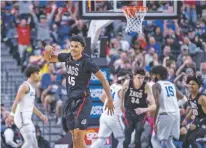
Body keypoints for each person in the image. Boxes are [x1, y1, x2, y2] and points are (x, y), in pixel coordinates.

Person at [43, 35, 114, 148]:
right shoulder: (67, 57)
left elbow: (103, 79)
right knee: (76, 139)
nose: (73, 48)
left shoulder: (87, 62)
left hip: (83, 100)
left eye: (76, 46)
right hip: (70, 100)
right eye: (71, 46)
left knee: (78, 136)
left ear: (82, 48)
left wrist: (110, 99)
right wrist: (47, 48)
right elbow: (49, 58)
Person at [5, 64, 48, 148]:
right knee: (29, 142)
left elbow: (31, 106)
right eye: (37, 73)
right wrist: (11, 115)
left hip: (27, 118)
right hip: (21, 117)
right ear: (31, 74)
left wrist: (41, 115)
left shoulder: (32, 88)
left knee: (34, 143)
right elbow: (16, 101)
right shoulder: (24, 86)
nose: (39, 75)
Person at [91, 69, 130, 148]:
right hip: (114, 117)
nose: (128, 82)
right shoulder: (122, 90)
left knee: (101, 140)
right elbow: (124, 106)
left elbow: (101, 97)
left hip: (104, 116)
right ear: (123, 79)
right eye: (128, 79)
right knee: (124, 139)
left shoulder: (112, 86)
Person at [150, 65, 187, 148]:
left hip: (165, 115)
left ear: (158, 75)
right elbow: (184, 99)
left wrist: (155, 121)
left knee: (154, 139)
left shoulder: (156, 85)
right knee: (168, 141)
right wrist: (174, 106)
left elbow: (158, 104)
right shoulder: (171, 84)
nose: (151, 76)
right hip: (175, 115)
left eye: (153, 74)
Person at [120, 67, 156, 148]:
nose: (140, 80)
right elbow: (122, 92)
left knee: (137, 139)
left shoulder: (146, 86)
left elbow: (154, 106)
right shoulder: (128, 83)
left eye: (142, 78)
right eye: (138, 77)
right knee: (127, 140)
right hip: (129, 112)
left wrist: (144, 109)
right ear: (134, 76)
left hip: (140, 114)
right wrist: (121, 104)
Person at [182, 75, 206, 148]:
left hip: (203, 122)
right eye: (190, 84)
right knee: (185, 144)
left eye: (193, 84)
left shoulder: (202, 98)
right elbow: (193, 109)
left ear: (198, 86)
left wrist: (197, 125)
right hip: (197, 120)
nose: (191, 86)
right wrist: (186, 119)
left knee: (191, 139)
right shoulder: (190, 95)